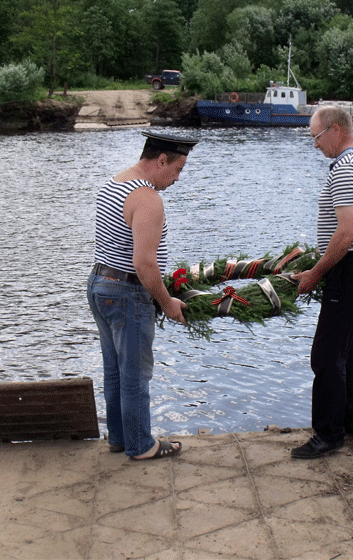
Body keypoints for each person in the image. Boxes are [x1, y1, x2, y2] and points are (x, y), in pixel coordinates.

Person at [87, 131, 198, 460]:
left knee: (115, 371)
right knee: (136, 374)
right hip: (127, 292)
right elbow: (145, 262)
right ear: (161, 160)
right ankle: (141, 446)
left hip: (99, 284)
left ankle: (120, 438)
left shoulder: (115, 182)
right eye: (177, 170)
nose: (177, 179)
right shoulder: (147, 198)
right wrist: (166, 302)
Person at [291, 106, 353, 460]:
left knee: (326, 353)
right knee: (343, 347)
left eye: (316, 137)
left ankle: (328, 435)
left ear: (334, 130)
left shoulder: (347, 166)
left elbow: (346, 232)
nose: (315, 145)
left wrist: (316, 272)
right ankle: (347, 420)